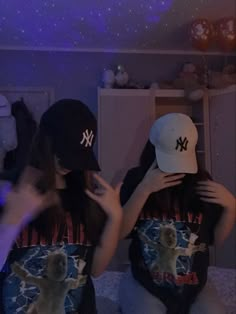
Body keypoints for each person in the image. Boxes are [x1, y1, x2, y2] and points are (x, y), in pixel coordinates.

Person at [0, 99, 123, 314]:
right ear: (45, 143)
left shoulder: (86, 197)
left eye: (78, 156)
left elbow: (94, 269)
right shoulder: (10, 189)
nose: (70, 164)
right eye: (66, 154)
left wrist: (115, 217)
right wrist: (12, 221)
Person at [119, 113, 235, 314]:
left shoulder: (202, 182)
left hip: (194, 286)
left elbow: (214, 239)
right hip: (146, 283)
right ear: (153, 149)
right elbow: (120, 232)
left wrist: (231, 208)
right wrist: (143, 190)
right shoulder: (137, 178)